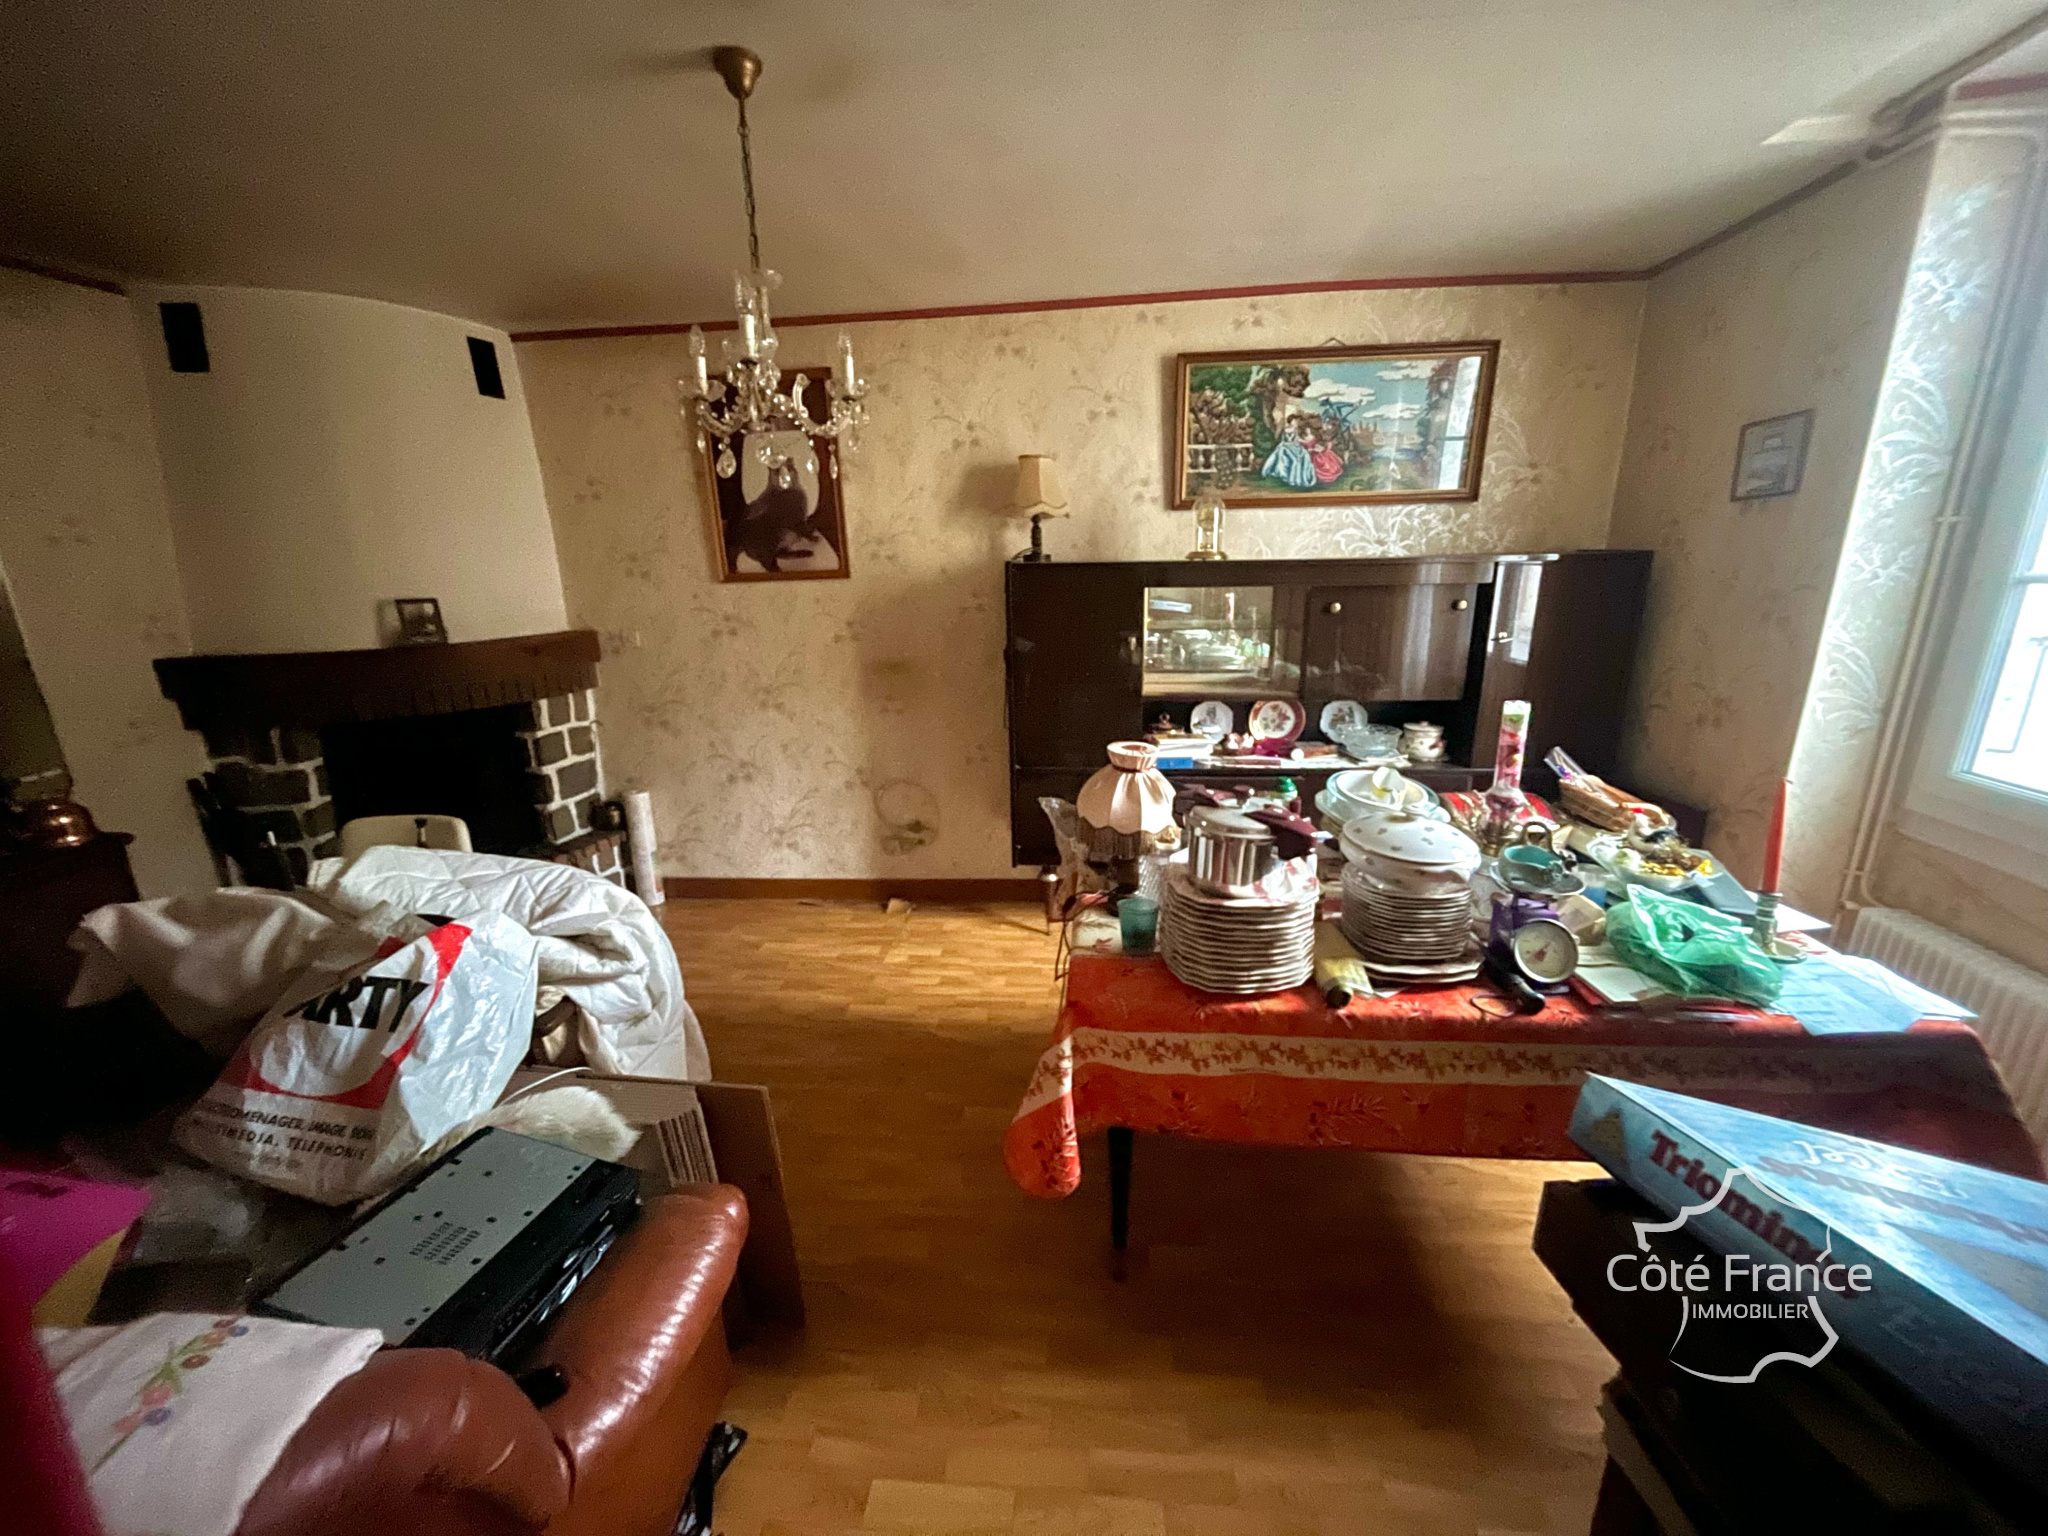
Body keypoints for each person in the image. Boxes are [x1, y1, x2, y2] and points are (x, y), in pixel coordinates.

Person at [1260, 415, 1317, 490]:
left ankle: (1301, 477)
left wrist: (1306, 441)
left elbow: (1297, 439)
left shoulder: (1296, 429)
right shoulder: (1287, 429)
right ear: (1290, 421)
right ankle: (1291, 479)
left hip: (1295, 447)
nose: (1296, 422)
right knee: (1294, 460)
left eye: (1296, 421)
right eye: (1294, 421)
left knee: (1305, 455)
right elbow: (1288, 438)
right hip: (1286, 447)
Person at [1304, 419, 1346, 485]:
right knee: (1320, 458)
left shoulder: (1329, 435)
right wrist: (1316, 448)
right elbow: (1313, 445)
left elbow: (1324, 444)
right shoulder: (1307, 437)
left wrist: (1321, 448)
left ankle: (1330, 472)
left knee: (1326, 456)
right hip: (1315, 452)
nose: (1328, 426)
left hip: (1322, 450)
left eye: (1329, 425)